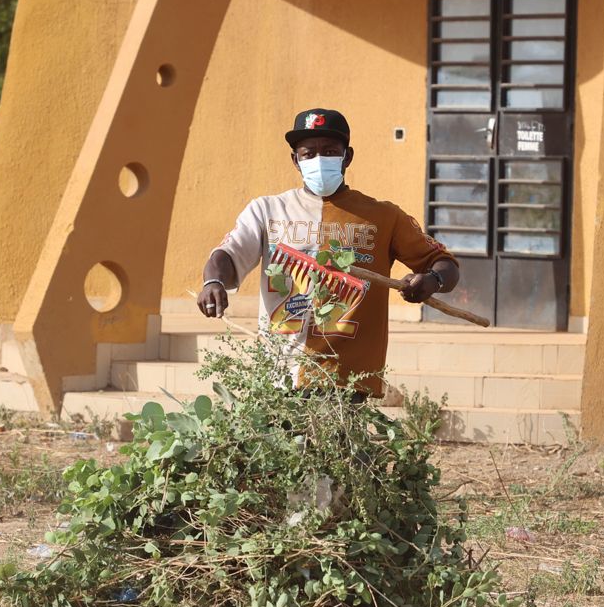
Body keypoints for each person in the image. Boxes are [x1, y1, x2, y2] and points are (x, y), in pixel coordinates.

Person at [196, 108, 461, 397]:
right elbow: (227, 254)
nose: (318, 160)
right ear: (295, 160)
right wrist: (213, 282)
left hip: (349, 377)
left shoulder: (384, 217)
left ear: (347, 157)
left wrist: (432, 280)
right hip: (281, 371)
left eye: (330, 151)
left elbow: (445, 263)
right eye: (308, 154)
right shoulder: (267, 211)